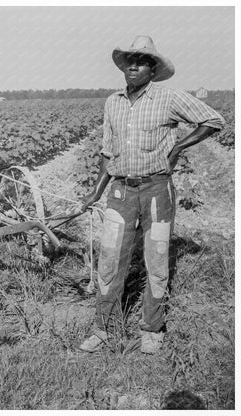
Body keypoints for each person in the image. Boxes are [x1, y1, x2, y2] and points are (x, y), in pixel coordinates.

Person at [79, 35, 225, 354]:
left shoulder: (168, 98)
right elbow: (107, 152)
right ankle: (104, 328)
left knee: (156, 260)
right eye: (130, 60)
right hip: (120, 191)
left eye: (142, 61)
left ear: (153, 69)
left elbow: (214, 120)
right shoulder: (112, 102)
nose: (134, 65)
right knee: (109, 260)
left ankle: (152, 328)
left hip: (157, 188)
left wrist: (179, 146)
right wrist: (95, 191)